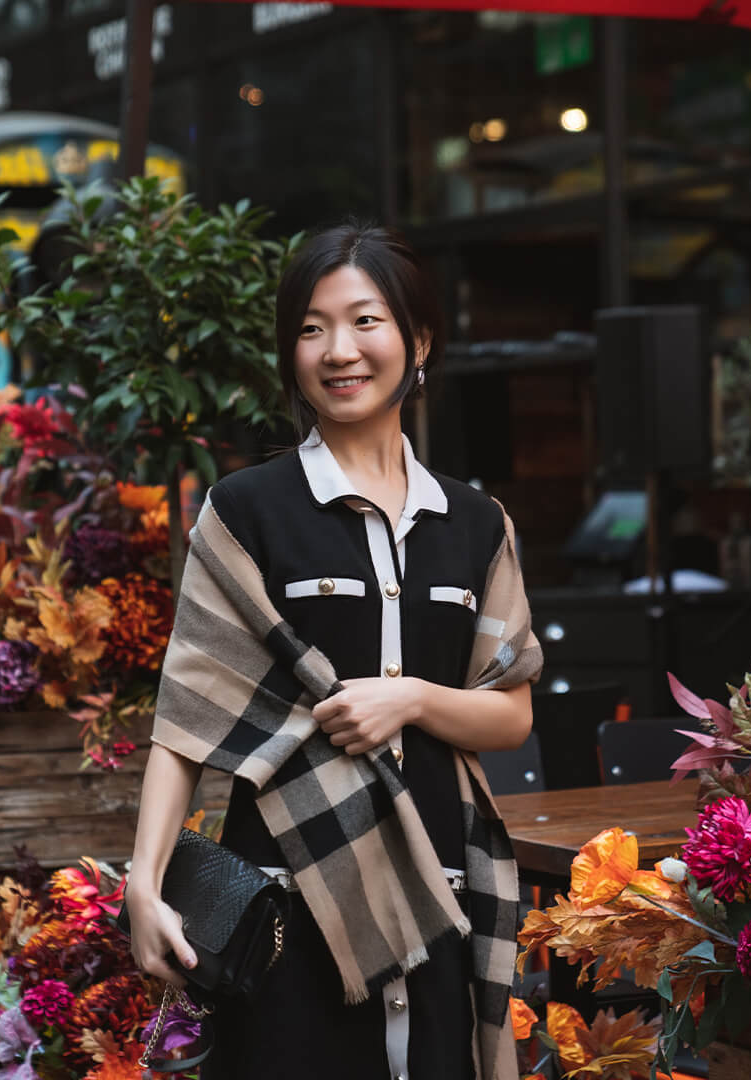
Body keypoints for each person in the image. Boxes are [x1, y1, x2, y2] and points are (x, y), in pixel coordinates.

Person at [125, 223, 545, 1080]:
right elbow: (187, 722)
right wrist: (143, 882)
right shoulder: (245, 514)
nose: (337, 351)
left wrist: (413, 699)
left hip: (438, 894)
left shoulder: (476, 524)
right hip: (287, 904)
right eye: (311, 329)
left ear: (418, 340)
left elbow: (511, 712)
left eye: (364, 322)